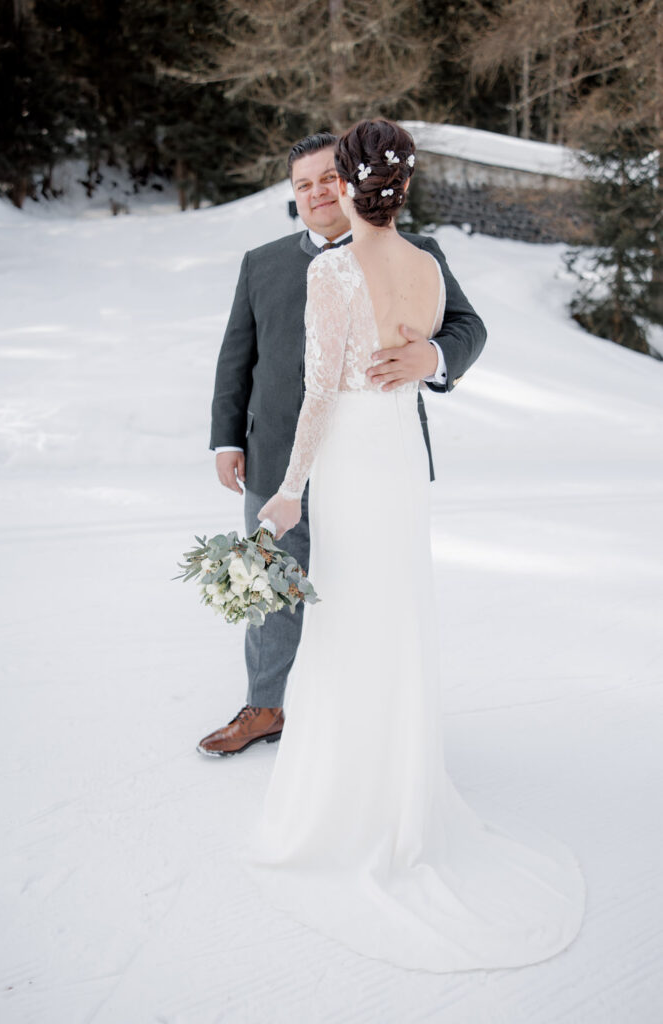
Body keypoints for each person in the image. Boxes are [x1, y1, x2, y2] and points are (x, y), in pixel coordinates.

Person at [241, 118, 586, 973]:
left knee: (345, 618)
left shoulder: (332, 270)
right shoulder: (422, 263)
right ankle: (400, 787)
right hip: (392, 462)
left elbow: (321, 393)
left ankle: (346, 799)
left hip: (352, 455)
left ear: (350, 182)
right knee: (391, 611)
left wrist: (287, 490)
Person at [199, 129, 487, 756]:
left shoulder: (419, 251)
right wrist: (227, 439)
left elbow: (470, 328)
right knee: (272, 585)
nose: (314, 193)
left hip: (371, 457)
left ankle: (361, 721)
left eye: (325, 179)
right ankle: (265, 706)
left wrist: (430, 357)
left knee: (365, 588)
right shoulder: (264, 262)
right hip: (279, 455)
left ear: (350, 180)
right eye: (301, 185)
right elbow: (236, 358)